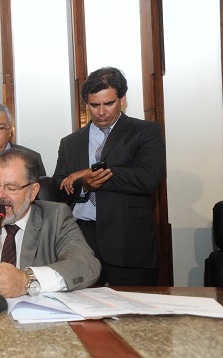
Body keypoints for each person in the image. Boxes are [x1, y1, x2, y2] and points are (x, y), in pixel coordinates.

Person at [53, 67, 166, 286]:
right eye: (94, 105)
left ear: (122, 99)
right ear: (86, 104)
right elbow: (60, 186)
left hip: (129, 241)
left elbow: (148, 178)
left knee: (134, 307)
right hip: (80, 240)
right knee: (82, 308)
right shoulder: (70, 142)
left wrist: (90, 172)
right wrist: (84, 185)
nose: (101, 112)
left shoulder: (145, 131)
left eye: (109, 103)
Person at [0, 148, 100, 297]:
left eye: (11, 187)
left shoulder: (56, 218)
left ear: (33, 192)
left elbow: (86, 265)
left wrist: (25, 281)